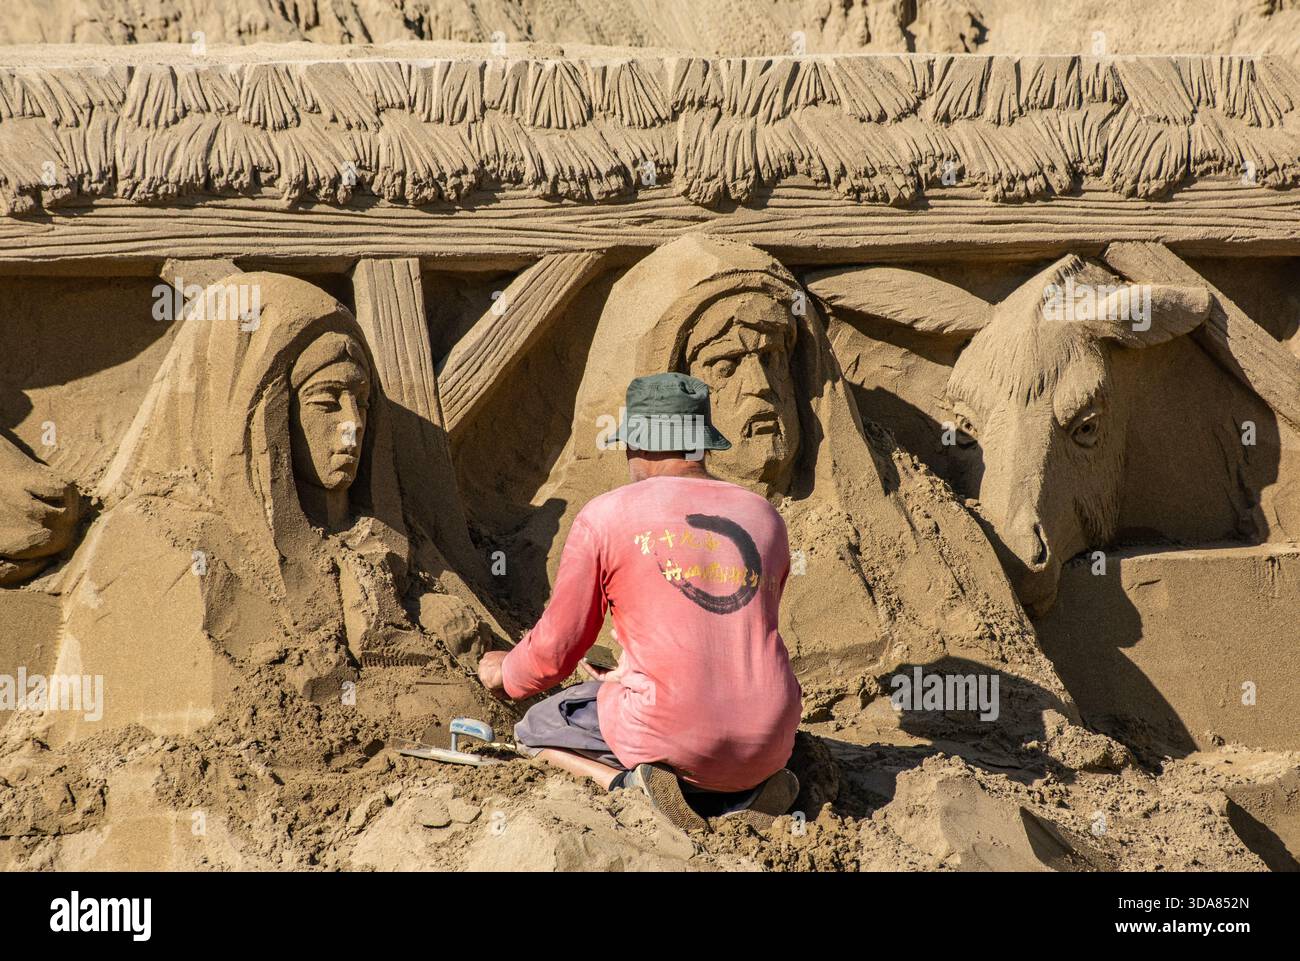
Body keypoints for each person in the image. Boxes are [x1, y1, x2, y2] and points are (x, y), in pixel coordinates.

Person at [478, 372, 803, 831]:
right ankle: (748, 796)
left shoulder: (607, 515)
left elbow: (554, 655)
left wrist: (505, 671)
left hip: (669, 730)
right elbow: (730, 629)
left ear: (638, 444)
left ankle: (627, 787)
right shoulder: (765, 518)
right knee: (714, 730)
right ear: (701, 444)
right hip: (769, 736)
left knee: (537, 728)